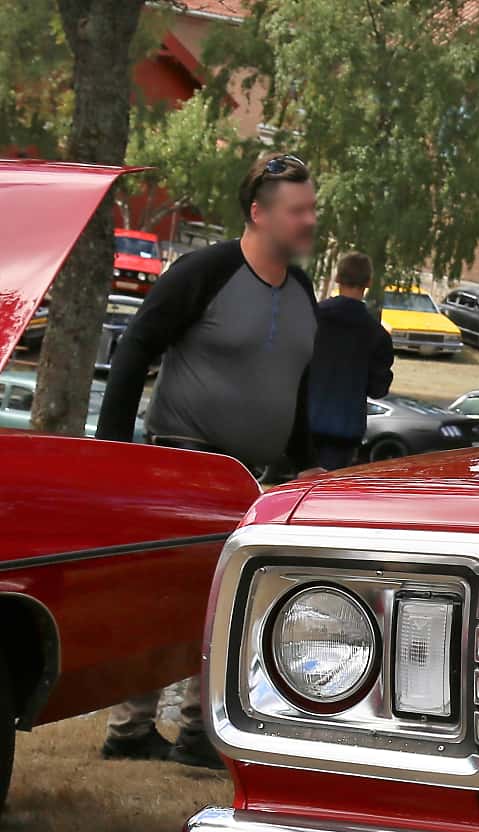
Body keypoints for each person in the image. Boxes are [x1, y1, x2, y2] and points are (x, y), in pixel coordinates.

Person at [95, 152, 321, 767]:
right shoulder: (205, 271)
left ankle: (199, 733)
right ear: (258, 213)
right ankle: (131, 728)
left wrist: (303, 460)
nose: (309, 220)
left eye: (311, 207)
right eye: (297, 209)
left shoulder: (301, 291)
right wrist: (115, 450)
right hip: (184, 465)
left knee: (231, 600)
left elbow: (297, 384)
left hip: (256, 480)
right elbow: (135, 347)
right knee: (167, 598)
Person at [306, 251, 394, 469]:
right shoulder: (376, 334)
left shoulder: (310, 318)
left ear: (337, 278)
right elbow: (378, 389)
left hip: (304, 423)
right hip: (345, 428)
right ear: (368, 282)